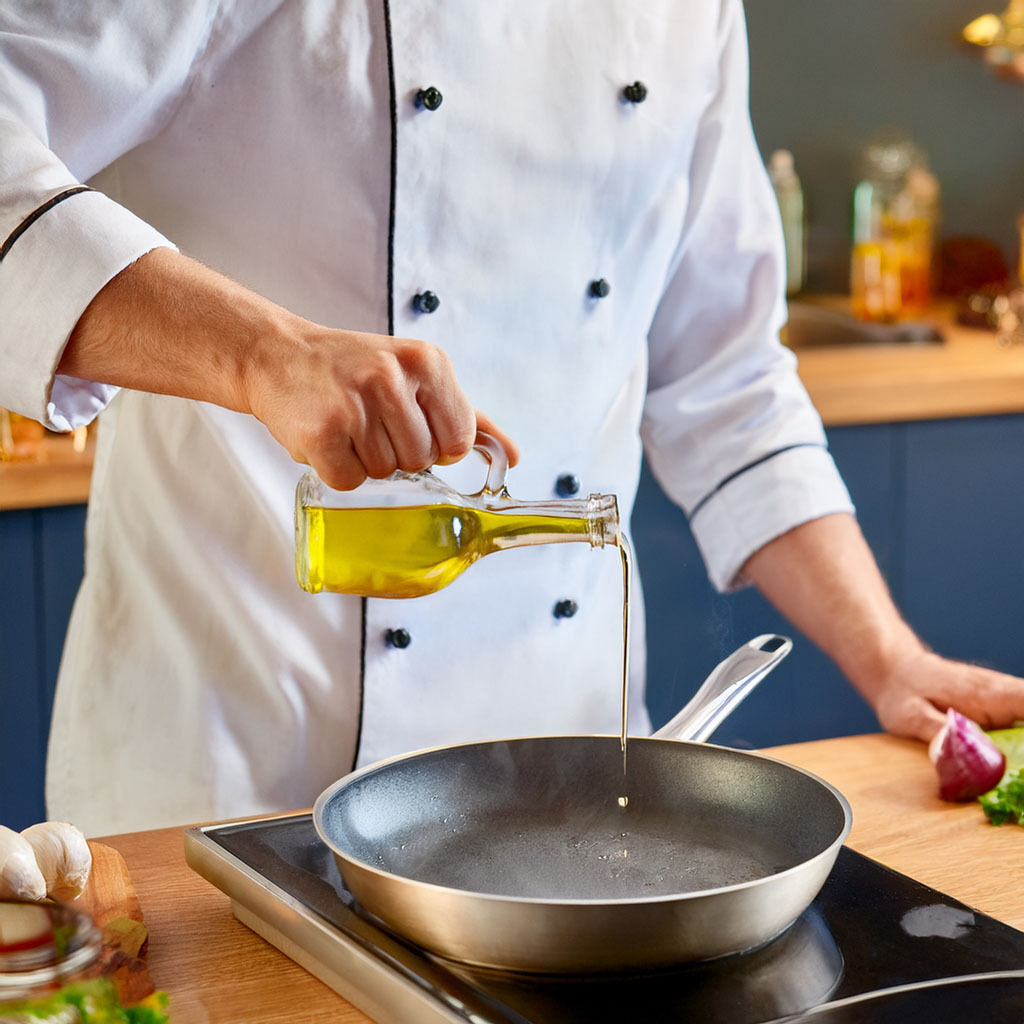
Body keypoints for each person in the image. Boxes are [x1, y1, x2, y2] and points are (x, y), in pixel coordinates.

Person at [2, 1, 1022, 836]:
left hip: (563, 786)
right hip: (232, 778)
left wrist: (889, 659)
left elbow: (727, 377)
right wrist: (262, 355)